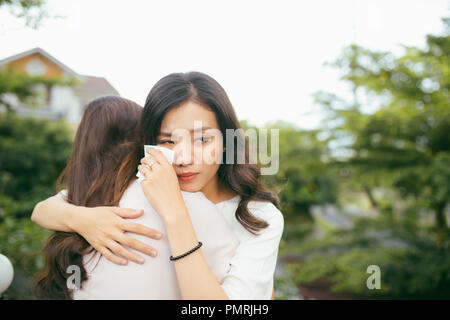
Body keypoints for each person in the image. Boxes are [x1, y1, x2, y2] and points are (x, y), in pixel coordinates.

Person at [32, 71, 284, 299]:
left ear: (228, 140)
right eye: (167, 142)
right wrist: (81, 218)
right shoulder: (137, 186)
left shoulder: (258, 216)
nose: (184, 159)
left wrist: (174, 213)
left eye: (203, 139)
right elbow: (44, 209)